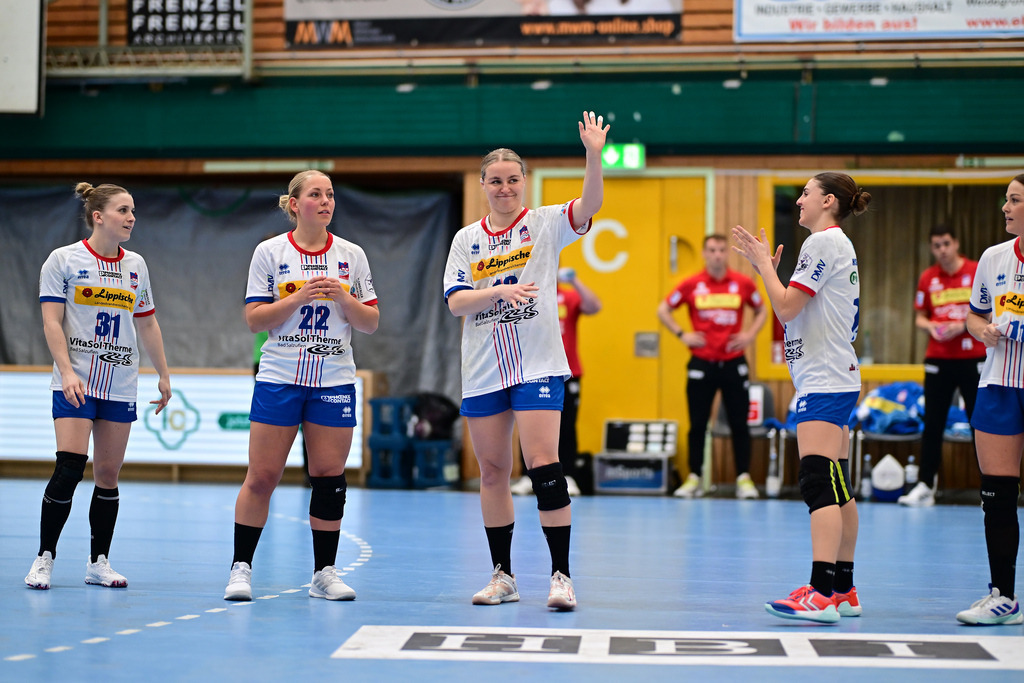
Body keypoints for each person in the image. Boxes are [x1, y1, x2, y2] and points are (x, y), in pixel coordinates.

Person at [443, 111, 609, 611]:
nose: (505, 187)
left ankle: (561, 576)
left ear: (524, 182)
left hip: (537, 364)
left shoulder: (545, 223)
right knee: (492, 471)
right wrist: (500, 292)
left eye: (513, 179)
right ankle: (503, 576)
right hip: (483, 369)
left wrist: (594, 154)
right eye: (495, 181)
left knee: (544, 466)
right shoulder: (465, 240)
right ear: (483, 186)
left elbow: (592, 203)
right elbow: (455, 301)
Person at [224, 170, 379, 602]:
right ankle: (241, 568)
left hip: (333, 378)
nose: (326, 201)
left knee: (329, 478)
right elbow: (255, 319)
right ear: (295, 204)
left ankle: (324, 573)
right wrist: (299, 297)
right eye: (315, 194)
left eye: (330, 194)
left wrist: (345, 299)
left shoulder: (352, 255)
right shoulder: (270, 252)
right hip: (280, 377)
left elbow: (370, 322)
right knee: (263, 476)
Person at [732, 172, 870, 623]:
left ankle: (822, 591)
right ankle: (844, 589)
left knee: (816, 482)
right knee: (836, 484)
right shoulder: (834, 244)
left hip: (826, 380)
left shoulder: (823, 243)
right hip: (832, 376)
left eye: (806, 193)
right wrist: (769, 272)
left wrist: (764, 268)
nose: (798, 202)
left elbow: (787, 307)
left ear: (828, 200)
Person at [25, 182, 172, 590]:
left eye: (133, 211)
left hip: (121, 382)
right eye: (123, 210)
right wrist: (67, 371)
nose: (131, 218)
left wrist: (162, 373)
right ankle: (44, 557)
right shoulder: (63, 260)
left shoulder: (136, 266)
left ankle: (98, 562)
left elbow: (147, 322)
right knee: (69, 468)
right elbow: (51, 321)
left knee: (108, 474)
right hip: (76, 381)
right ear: (98, 216)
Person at [957, 173, 1024, 626]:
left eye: (1014, 200)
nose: (1005, 207)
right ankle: (1003, 596)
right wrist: (983, 330)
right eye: (1006, 199)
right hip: (999, 384)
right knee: (998, 495)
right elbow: (974, 314)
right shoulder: (993, 257)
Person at [657, 234, 767, 499]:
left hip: (733, 363)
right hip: (701, 363)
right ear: (705, 254)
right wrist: (683, 335)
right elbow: (663, 310)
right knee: (698, 423)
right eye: (712, 250)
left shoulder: (741, 284)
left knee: (740, 423)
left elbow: (763, 309)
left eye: (721, 250)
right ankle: (694, 478)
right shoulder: (692, 285)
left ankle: (744, 478)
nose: (717, 254)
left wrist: (749, 335)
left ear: (726, 254)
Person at [900, 225, 985, 507]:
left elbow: (988, 312)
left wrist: (961, 326)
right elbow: (919, 318)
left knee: (980, 423)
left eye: (946, 243)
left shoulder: (975, 271)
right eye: (936, 245)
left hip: (974, 359)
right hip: (938, 359)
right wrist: (934, 327)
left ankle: (990, 488)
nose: (942, 250)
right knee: (933, 423)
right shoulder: (928, 277)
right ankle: (925, 485)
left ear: (956, 243)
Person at [510, 267, 602, 497]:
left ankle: (568, 475)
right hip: (533, 370)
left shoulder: (568, 296)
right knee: (528, 424)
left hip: (567, 372)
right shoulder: (527, 294)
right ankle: (527, 476)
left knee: (568, 424)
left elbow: (594, 307)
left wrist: (576, 281)